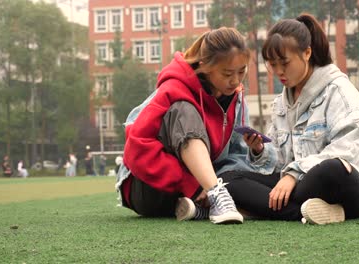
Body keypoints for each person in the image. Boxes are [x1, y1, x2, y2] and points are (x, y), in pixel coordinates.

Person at [220, 13, 359, 225]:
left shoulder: (338, 90)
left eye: (285, 63)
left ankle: (262, 208)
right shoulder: (281, 103)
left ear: (307, 53)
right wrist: (260, 151)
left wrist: (293, 174)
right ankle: (314, 212)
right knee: (228, 179)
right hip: (302, 185)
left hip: (351, 185)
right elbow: (280, 163)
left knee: (331, 169)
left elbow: (347, 148)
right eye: (272, 64)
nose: (278, 72)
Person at [115, 27, 272, 224]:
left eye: (242, 71)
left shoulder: (237, 100)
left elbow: (235, 157)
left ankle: (201, 208)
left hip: (195, 192)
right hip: (148, 188)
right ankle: (216, 195)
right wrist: (194, 185)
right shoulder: (173, 89)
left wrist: (255, 152)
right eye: (227, 73)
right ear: (204, 65)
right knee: (184, 109)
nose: (235, 80)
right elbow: (135, 149)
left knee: (243, 184)